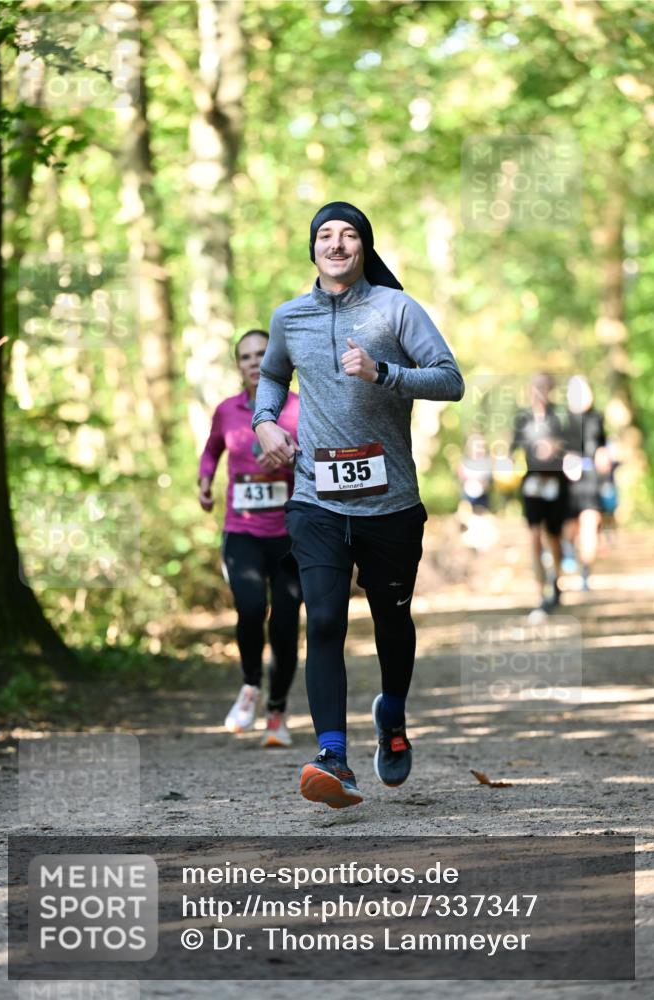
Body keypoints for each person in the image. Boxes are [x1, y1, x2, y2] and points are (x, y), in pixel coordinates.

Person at [252, 202, 464, 808]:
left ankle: (391, 717)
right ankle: (333, 758)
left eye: (349, 235)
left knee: (392, 620)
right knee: (322, 619)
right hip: (316, 498)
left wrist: (384, 373)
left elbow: (450, 379)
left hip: (390, 502)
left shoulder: (396, 309)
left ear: (364, 248)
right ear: (312, 248)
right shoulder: (290, 316)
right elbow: (272, 375)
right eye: (326, 234)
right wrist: (266, 421)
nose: (337, 243)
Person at [198, 330, 301, 747]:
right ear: (237, 365)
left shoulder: (299, 406)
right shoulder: (227, 410)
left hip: (292, 533)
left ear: (276, 358)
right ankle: (250, 686)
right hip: (241, 532)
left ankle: (276, 714)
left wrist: (291, 453)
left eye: (263, 354)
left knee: (287, 626)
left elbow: (319, 456)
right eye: (246, 356)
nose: (255, 362)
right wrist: (204, 482)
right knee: (252, 607)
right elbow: (211, 450)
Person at [510, 372, 567, 614]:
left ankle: (556, 581)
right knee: (534, 537)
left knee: (553, 537)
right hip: (532, 483)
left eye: (543, 386)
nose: (538, 391)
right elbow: (511, 448)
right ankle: (540, 591)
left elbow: (574, 446)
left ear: (550, 388)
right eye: (535, 386)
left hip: (556, 482)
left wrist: (557, 447)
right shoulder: (522, 419)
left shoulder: (560, 417)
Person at [562, 375, 611, 591]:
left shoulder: (596, 417)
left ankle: (585, 572)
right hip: (569, 479)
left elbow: (602, 448)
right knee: (571, 526)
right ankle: (569, 553)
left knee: (590, 523)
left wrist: (606, 474)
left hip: (591, 478)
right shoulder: (564, 419)